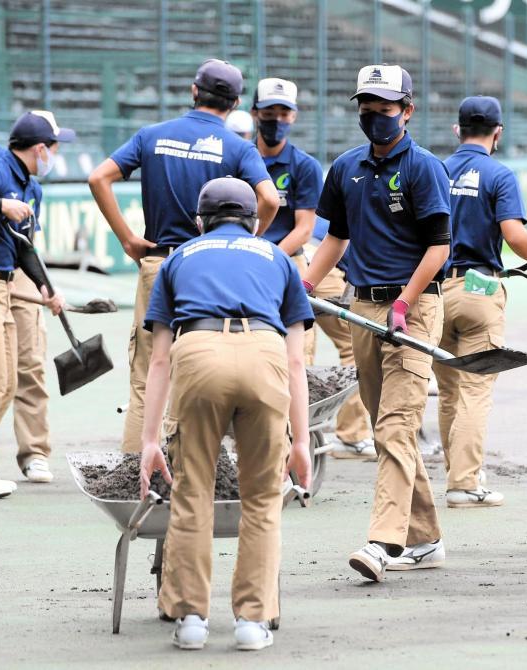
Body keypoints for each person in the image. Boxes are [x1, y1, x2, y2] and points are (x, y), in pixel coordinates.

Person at [138, 177, 313, 651]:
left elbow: (158, 360)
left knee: (193, 492)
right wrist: (301, 442)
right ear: (254, 223)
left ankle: (191, 619)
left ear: (200, 221)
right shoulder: (277, 257)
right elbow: (297, 360)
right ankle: (252, 623)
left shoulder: (179, 256)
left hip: (196, 352)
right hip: (265, 352)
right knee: (261, 497)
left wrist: (150, 440)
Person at [303, 64, 450, 581]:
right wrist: (304, 284)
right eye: (367, 107)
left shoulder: (425, 168)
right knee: (390, 425)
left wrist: (407, 303)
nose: (374, 116)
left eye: (385, 108)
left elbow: (439, 246)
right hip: (361, 307)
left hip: (415, 308)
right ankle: (425, 539)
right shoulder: (345, 168)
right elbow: (335, 241)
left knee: (394, 425)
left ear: (407, 111)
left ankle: (383, 541)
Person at [89, 58, 279, 453]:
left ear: (194, 92)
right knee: (202, 364)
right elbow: (270, 199)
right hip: (211, 267)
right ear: (236, 102)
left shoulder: (152, 135)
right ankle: (191, 464)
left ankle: (136, 470)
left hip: (160, 263)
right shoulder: (237, 147)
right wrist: (250, 236)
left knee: (147, 373)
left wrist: (126, 237)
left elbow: (98, 177)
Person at [436, 95, 527, 508]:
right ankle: (465, 484)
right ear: (498, 133)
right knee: (475, 389)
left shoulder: (436, 170)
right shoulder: (498, 174)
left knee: (450, 392)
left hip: (435, 292)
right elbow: (514, 234)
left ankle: (460, 474)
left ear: (458, 130)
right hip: (478, 290)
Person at [0, 110, 69, 499]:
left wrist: (45, 288)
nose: (55, 154)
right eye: (54, 147)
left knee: (4, 382)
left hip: (1, 287)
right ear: (40, 148)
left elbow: (23, 247)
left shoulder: (30, 187)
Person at [250, 77, 321, 363]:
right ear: (255, 112)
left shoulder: (304, 166)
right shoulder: (240, 157)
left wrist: (270, 257)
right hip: (244, 259)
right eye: (268, 114)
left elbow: (304, 228)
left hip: (288, 259)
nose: (276, 120)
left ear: (294, 116)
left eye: (283, 114)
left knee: (299, 349)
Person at [308, 217, 375, 459]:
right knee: (354, 346)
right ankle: (352, 436)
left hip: (297, 261)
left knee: (299, 348)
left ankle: (297, 432)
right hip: (324, 267)